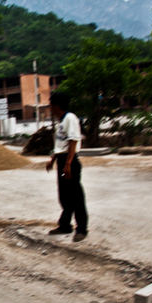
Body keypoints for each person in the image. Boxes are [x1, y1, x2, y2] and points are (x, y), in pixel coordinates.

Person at [45, 91, 88, 242]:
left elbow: (73, 140)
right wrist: (53, 160)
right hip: (62, 160)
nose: (50, 108)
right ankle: (65, 225)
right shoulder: (61, 122)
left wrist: (68, 163)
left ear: (57, 105)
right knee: (64, 195)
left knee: (76, 196)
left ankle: (81, 228)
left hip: (70, 161)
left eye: (51, 105)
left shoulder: (70, 118)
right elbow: (60, 144)